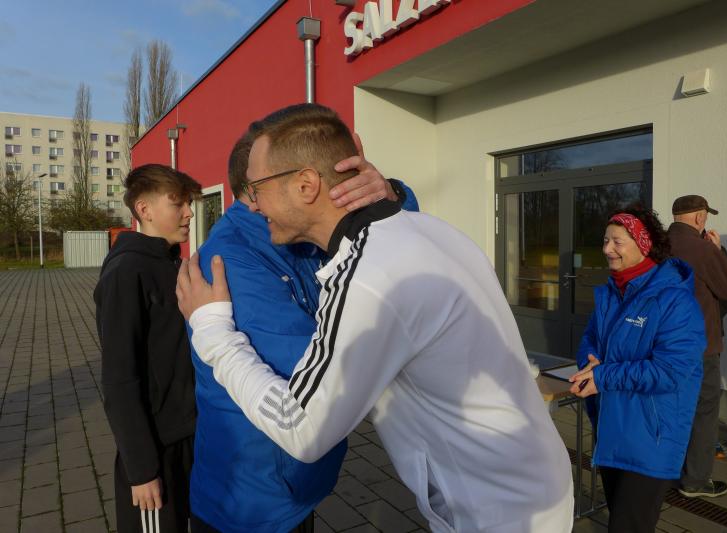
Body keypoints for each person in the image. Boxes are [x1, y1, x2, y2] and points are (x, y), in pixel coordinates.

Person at [177, 103, 574, 532]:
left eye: (256, 189)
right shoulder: (432, 232)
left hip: (493, 511)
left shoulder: (367, 278)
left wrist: (213, 332)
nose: (252, 205)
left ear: (306, 184)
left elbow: (301, 426)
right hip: (531, 482)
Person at [189, 117, 417, 533]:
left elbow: (379, 248)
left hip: (293, 481)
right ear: (255, 193)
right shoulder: (231, 259)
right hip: (254, 499)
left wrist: (389, 197)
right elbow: (315, 383)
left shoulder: (295, 235)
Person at [570, 207, 706, 533]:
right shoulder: (611, 292)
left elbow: (670, 371)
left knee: (628, 525)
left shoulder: (675, 300)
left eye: (617, 241)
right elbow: (590, 339)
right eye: (605, 240)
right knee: (622, 519)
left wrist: (603, 376)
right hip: (611, 428)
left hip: (651, 436)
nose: (607, 249)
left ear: (644, 244)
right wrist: (590, 360)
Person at [94, 164, 201, 533]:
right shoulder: (126, 272)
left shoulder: (174, 265)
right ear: (144, 209)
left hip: (191, 436)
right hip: (156, 450)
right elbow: (119, 380)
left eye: (189, 204)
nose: (189, 213)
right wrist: (142, 470)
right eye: (178, 204)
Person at [668, 194, 727, 498]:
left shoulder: (655, 246)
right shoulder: (703, 249)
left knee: (672, 407)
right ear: (700, 217)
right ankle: (695, 480)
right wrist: (719, 250)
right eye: (705, 216)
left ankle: (665, 469)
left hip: (663, 343)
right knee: (703, 410)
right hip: (700, 345)